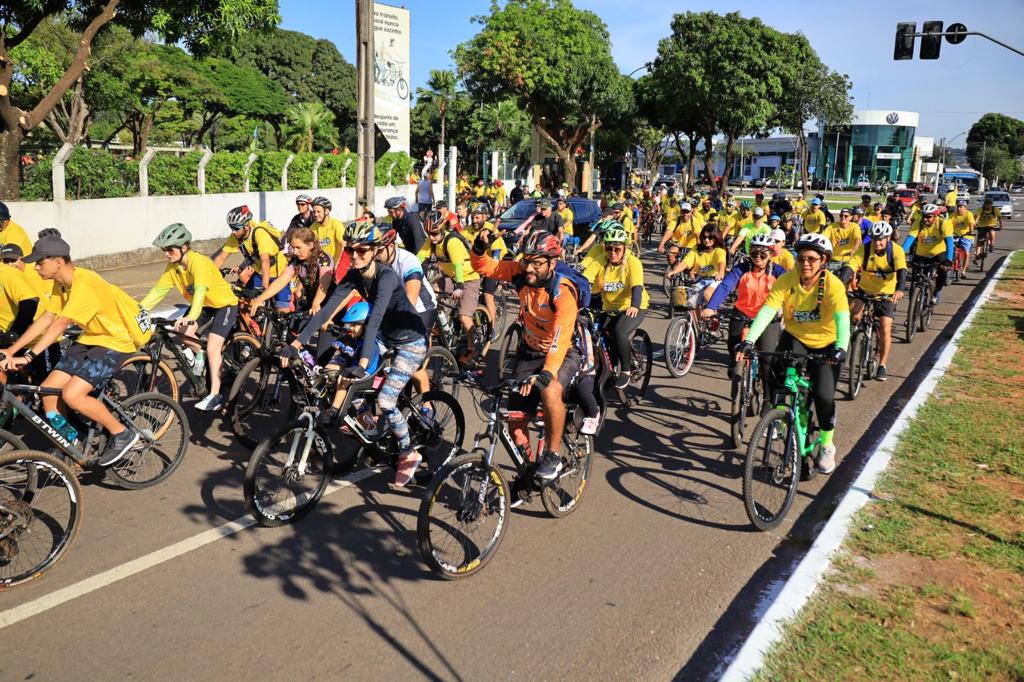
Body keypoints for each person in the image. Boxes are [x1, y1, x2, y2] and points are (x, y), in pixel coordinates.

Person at [291, 222, 428, 486]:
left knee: (387, 401)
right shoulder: (355, 276)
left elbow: (374, 319)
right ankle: (367, 422)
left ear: (375, 250)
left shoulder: (386, 276)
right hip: (384, 337)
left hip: (410, 340)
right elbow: (325, 310)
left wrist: (363, 363)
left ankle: (408, 452)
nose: (355, 255)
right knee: (344, 373)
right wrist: (297, 344)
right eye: (350, 250)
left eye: (362, 250)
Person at [0, 235, 153, 466]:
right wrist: (12, 350)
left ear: (59, 261)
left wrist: (29, 356)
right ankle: (69, 443)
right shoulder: (61, 283)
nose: (36, 267)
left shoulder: (86, 283)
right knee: (49, 392)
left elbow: (60, 323)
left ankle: (123, 433)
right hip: (91, 338)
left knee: (72, 395)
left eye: (40, 262)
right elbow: (46, 318)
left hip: (115, 341)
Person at [470, 230, 581, 481]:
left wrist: (547, 372)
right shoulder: (520, 273)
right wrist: (478, 247)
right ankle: (528, 468)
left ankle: (553, 455)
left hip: (563, 353)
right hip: (530, 351)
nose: (529, 268)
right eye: (526, 260)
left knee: (550, 390)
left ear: (553, 263)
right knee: (515, 419)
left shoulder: (562, 291)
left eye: (537, 263)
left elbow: (561, 337)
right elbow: (486, 267)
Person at [739, 233, 850, 474]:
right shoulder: (788, 279)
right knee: (777, 369)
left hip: (827, 344)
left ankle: (827, 445)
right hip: (796, 337)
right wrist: (749, 340)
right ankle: (777, 416)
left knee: (823, 396)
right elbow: (768, 310)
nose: (805, 264)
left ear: (824, 261)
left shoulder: (833, 285)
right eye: (801, 259)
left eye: (812, 259)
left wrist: (841, 347)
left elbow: (843, 319)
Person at [140, 223, 238, 411]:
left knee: (212, 347)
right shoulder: (173, 267)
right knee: (180, 331)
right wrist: (138, 310)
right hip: (206, 305)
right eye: (164, 250)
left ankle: (215, 395)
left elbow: (200, 291)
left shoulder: (198, 262)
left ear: (184, 247)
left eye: (170, 250)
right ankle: (201, 354)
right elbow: (158, 291)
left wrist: (191, 317)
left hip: (224, 304)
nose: (166, 254)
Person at [705, 232, 787, 381]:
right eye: (754, 253)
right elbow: (725, 286)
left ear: (770, 255)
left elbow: (790, 291)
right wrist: (711, 306)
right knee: (733, 343)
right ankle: (735, 363)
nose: (758, 257)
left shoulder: (778, 271)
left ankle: (766, 396)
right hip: (742, 312)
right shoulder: (741, 269)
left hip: (767, 316)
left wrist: (788, 312)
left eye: (763, 254)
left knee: (768, 357)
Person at [582, 224, 649, 390]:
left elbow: (637, 287)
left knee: (619, 331)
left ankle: (625, 370)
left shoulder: (633, 263)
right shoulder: (601, 261)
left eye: (617, 249)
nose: (612, 253)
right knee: (593, 331)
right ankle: (606, 367)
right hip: (609, 307)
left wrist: (634, 305)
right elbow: (585, 280)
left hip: (634, 306)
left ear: (625, 248)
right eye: (609, 248)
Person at [417, 210, 481, 364]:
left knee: (464, 317)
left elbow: (458, 266)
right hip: (450, 276)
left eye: (435, 234)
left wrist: (459, 287)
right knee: (431, 295)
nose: (431, 238)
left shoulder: (451, 242)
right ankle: (444, 327)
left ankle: (472, 348)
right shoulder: (431, 241)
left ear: (442, 229)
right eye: (429, 234)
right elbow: (418, 258)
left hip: (468, 277)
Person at [847, 221, 906, 382]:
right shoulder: (865, 250)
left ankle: (882, 365)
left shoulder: (896, 251)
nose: (877, 243)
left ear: (887, 238)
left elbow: (901, 271)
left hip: (887, 295)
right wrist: (841, 282)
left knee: (885, 328)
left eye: (880, 239)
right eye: (874, 239)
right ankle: (859, 336)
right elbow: (850, 267)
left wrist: (900, 289)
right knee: (854, 312)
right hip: (865, 291)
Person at [213, 205, 290, 314]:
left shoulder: (259, 234)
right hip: (259, 272)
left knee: (282, 311)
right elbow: (221, 258)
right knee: (245, 304)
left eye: (236, 228)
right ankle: (253, 330)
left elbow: (265, 261)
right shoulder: (236, 237)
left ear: (247, 226)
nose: (233, 232)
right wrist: (207, 277)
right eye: (231, 228)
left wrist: (264, 289)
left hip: (278, 273)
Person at [252, 227, 333, 315]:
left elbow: (324, 284)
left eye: (298, 247)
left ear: (311, 245)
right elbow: (281, 281)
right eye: (293, 247)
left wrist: (316, 303)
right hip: (311, 303)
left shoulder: (324, 259)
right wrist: (260, 299)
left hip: (330, 302)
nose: (295, 251)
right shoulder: (296, 261)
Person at [463, 205, 507, 336]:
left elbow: (496, 254)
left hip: (492, 265)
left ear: (484, 217)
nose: (474, 220)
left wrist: (495, 274)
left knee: (488, 296)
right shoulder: (467, 229)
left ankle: (491, 329)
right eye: (472, 217)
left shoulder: (490, 229)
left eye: (477, 217)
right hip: (474, 267)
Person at [902, 203, 954, 305]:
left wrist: (948, 259)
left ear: (935, 216)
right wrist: (901, 252)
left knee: (942, 270)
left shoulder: (943, 223)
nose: (925, 219)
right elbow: (910, 238)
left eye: (929, 217)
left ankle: (936, 291)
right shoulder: (919, 222)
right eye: (924, 216)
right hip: (921, 254)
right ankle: (912, 306)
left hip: (938, 253)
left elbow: (949, 242)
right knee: (915, 278)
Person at [666, 225, 727, 306]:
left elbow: (721, 263)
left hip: (714, 280)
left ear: (716, 237)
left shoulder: (719, 251)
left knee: (707, 294)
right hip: (700, 279)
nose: (706, 240)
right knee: (692, 304)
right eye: (704, 237)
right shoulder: (697, 248)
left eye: (710, 237)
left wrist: (721, 273)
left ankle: (713, 315)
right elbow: (686, 262)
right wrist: (674, 271)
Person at [824, 208, 863, 285]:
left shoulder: (854, 227)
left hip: (849, 259)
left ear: (851, 217)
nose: (843, 218)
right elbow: (824, 237)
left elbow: (857, 239)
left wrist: (854, 250)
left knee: (844, 278)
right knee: (825, 279)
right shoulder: (832, 226)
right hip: (834, 258)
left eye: (846, 216)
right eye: (841, 215)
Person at [309, 196, 346, 263]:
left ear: (327, 211)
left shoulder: (336, 224)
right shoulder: (312, 227)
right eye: (314, 212)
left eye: (318, 212)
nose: (315, 214)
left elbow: (344, 245)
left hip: (336, 264)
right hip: (321, 266)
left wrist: (338, 264)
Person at [950, 199, 976, 267]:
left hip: (966, 236)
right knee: (949, 248)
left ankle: (963, 271)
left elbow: (971, 223)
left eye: (961, 207)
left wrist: (971, 231)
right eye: (958, 206)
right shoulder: (953, 215)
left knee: (966, 253)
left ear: (965, 208)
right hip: (955, 235)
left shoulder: (969, 214)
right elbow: (948, 224)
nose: (959, 208)